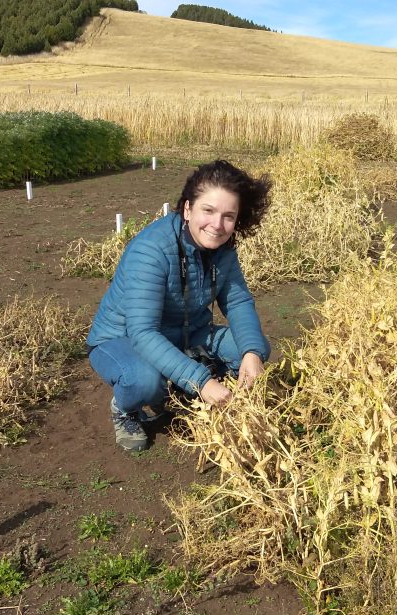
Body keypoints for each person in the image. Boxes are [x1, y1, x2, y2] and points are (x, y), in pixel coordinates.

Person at [86, 160, 273, 452]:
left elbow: (237, 301)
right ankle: (126, 410)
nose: (217, 225)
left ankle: (204, 392)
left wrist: (251, 353)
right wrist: (202, 381)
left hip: (187, 332)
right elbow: (143, 333)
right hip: (124, 338)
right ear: (187, 209)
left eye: (228, 216)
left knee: (251, 346)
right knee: (143, 381)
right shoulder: (151, 250)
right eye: (208, 211)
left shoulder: (224, 248)